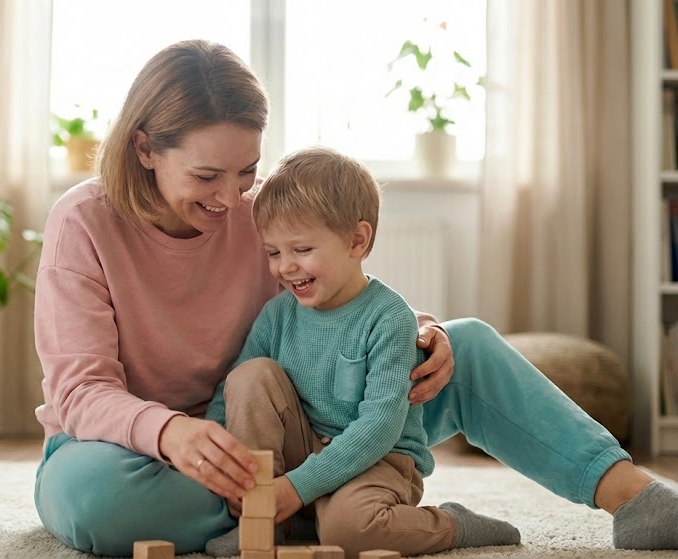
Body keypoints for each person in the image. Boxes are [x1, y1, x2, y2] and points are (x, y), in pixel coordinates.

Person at [32, 39, 678, 556]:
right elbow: (81, 391)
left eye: (247, 172)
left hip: (294, 428)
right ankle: (327, 513)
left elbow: (322, 300)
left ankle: (635, 501)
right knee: (102, 504)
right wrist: (173, 434)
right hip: (145, 451)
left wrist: (414, 329)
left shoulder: (256, 214)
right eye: (206, 178)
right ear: (144, 148)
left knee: (468, 340)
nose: (232, 198)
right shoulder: (84, 222)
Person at [202, 146, 521, 557]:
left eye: (301, 250)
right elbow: (233, 392)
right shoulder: (277, 314)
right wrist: (216, 456)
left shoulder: (389, 318)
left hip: (377, 462)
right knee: (250, 375)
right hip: (302, 455)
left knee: (351, 532)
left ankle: (453, 524)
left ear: (357, 240)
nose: (284, 267)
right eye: (273, 253)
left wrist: (298, 487)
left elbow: (380, 427)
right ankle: (266, 520)